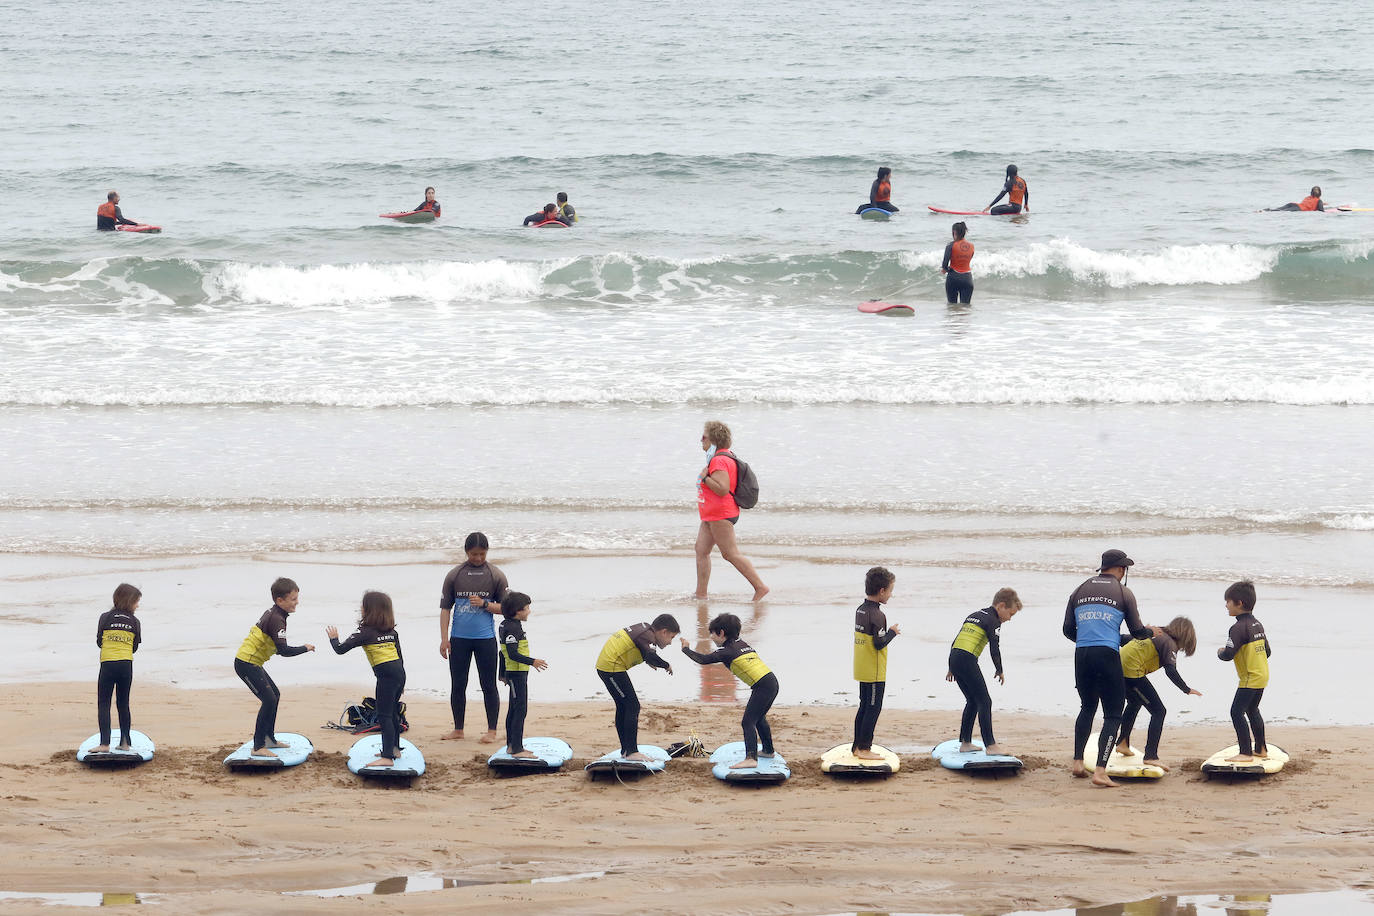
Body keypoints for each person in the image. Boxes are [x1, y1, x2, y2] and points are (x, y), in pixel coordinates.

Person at [1062, 549, 1156, 787]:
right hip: (1107, 655)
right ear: (1122, 570)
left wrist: (1089, 640)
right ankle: (1100, 772)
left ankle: (1077, 762)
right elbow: (1137, 631)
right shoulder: (1124, 592)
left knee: (1087, 707)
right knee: (1113, 713)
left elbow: (1067, 629)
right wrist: (1150, 632)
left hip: (1082, 654)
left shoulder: (1079, 590)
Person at [679, 612, 778, 769]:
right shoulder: (742, 644)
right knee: (759, 718)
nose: (711, 637)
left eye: (712, 633)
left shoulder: (726, 651)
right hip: (770, 682)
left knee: (748, 722)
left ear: (721, 633)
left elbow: (703, 660)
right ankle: (768, 750)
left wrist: (686, 649)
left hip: (762, 686)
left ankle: (751, 759)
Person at [438, 532, 509, 744]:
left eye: (481, 554)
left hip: (485, 639)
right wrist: (444, 639)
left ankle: (492, 731)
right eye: (473, 554)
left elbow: (507, 609)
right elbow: (445, 609)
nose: (477, 558)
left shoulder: (496, 575)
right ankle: (458, 729)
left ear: (487, 551)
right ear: (466, 552)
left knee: (488, 685)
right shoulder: (455, 575)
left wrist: (486, 604)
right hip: (459, 639)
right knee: (458, 685)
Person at [233, 577, 315, 758]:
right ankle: (258, 746)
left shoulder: (276, 614)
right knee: (269, 700)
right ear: (280, 600)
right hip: (246, 664)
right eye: (293, 599)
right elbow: (284, 651)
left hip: (253, 662)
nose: (297, 602)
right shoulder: (277, 619)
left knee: (275, 695)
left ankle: (269, 738)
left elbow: (278, 648)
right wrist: (305, 648)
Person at [327, 591, 406, 768]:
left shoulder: (365, 631)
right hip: (399, 675)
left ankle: (387, 757)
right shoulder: (391, 631)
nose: (360, 608)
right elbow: (400, 657)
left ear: (369, 610)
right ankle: (394, 749)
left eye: (363, 606)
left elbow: (340, 649)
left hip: (386, 678)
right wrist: (402, 684)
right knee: (392, 712)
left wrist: (333, 639)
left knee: (384, 715)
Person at [694, 420, 769, 601]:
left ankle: (760, 587)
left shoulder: (719, 460)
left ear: (714, 439)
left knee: (730, 553)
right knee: (701, 550)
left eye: (704, 436)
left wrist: (705, 478)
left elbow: (722, 488)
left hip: (721, 514)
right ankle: (701, 594)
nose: (700, 439)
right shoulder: (722, 456)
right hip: (711, 514)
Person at [1116, 616, 1202, 771]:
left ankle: (1122, 743)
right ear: (1185, 635)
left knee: (1135, 702)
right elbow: (1170, 670)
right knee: (1159, 711)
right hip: (1131, 672)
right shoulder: (1169, 643)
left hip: (1117, 668)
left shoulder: (1156, 632)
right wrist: (1186, 689)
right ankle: (1150, 757)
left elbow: (1124, 639)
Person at [945, 587, 1021, 756]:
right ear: (1001, 606)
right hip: (966, 659)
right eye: (1011, 614)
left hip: (955, 657)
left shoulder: (974, 614)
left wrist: (951, 667)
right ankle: (991, 746)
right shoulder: (993, 621)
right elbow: (995, 647)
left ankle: (965, 743)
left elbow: (957, 639)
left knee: (972, 701)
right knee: (985, 701)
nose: (1009, 619)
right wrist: (999, 669)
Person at [594, 614, 679, 760]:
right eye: (671, 637)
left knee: (623, 706)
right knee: (633, 706)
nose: (670, 642)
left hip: (607, 666)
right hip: (612, 668)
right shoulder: (647, 637)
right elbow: (651, 654)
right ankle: (632, 752)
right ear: (663, 632)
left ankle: (626, 750)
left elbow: (641, 647)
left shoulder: (646, 629)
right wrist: (666, 665)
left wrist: (648, 659)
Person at [1216, 580, 1271, 763]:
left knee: (1236, 712)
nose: (1226, 605)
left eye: (1228, 601)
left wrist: (1220, 652)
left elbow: (1228, 655)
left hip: (1250, 677)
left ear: (1239, 603)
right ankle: (1261, 748)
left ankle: (1245, 753)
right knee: (1252, 709)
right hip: (1262, 674)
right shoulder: (1258, 624)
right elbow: (1268, 651)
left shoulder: (1237, 628)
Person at [853, 566, 900, 759]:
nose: (890, 595)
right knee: (873, 707)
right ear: (881, 591)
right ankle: (864, 749)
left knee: (864, 706)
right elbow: (879, 643)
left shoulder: (860, 609)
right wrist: (892, 633)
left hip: (862, 666)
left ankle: (857, 747)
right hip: (874, 669)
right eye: (890, 590)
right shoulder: (878, 615)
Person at [93, 583, 143, 753]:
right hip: (125, 666)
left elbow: (99, 641)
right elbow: (135, 646)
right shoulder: (135, 622)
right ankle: (124, 743)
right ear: (129, 601)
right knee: (123, 703)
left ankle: (104, 744)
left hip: (107, 664)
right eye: (137, 602)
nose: (138, 605)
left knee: (104, 703)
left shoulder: (105, 617)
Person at [497, 591, 548, 759]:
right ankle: (517, 749)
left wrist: (502, 673)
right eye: (527, 608)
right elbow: (511, 653)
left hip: (515, 673)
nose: (529, 611)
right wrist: (533, 661)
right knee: (519, 710)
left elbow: (501, 652)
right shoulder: (512, 628)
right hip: (516, 674)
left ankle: (512, 746)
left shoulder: (508, 624)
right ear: (517, 611)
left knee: (514, 709)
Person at [941, 221, 975, 304]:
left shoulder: (950, 245)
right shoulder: (971, 246)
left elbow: (945, 264)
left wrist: (945, 269)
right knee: (965, 308)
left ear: (954, 232)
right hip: (967, 279)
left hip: (953, 278)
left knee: (952, 307)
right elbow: (968, 259)